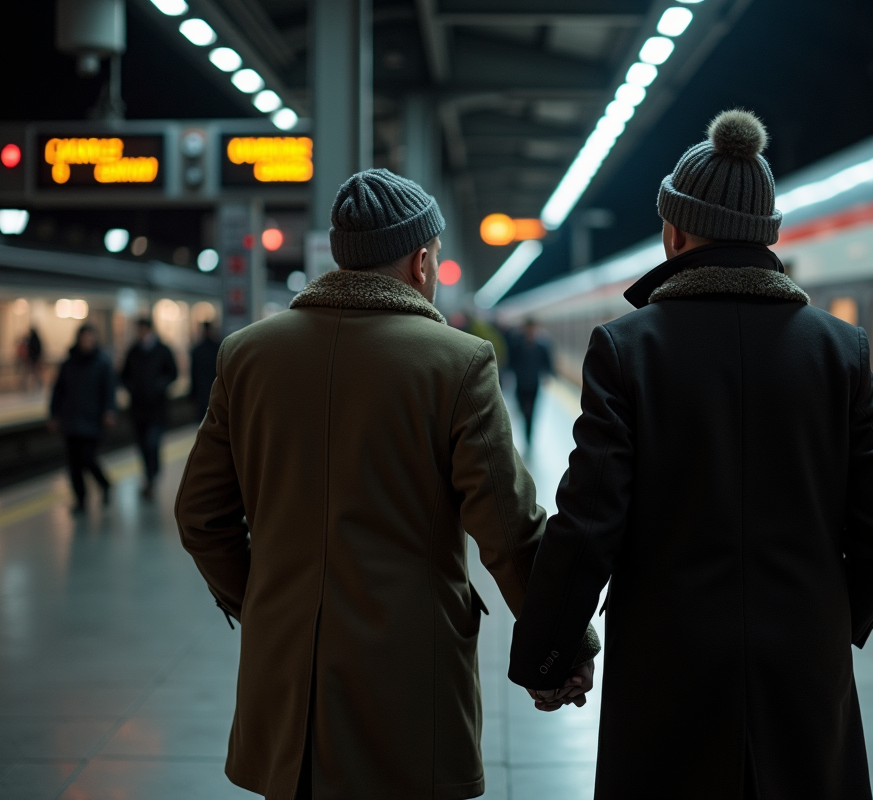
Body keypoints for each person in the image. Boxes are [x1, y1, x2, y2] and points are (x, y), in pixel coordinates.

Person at [508, 110, 873, 799]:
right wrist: (824, 619)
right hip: (804, 673)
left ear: (675, 232)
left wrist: (549, 657)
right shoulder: (840, 349)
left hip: (668, 671)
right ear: (767, 235)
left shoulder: (626, 348)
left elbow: (589, 523)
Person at [174, 168, 597, 800]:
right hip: (410, 677)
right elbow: (508, 531)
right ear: (421, 260)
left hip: (285, 677)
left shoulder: (247, 354)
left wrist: (266, 602)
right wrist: (560, 643)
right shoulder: (456, 361)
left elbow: (200, 516)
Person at [49, 324, 116, 513]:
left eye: (90, 338)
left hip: (92, 420)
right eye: (84, 338)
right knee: (74, 464)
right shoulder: (69, 363)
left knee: (88, 458)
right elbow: (58, 390)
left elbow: (109, 390)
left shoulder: (102, 363)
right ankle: (80, 499)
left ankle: (104, 483)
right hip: (71, 420)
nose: (87, 342)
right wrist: (54, 414)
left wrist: (109, 411)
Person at [121, 318, 177, 498]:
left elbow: (173, 373)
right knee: (143, 446)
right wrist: (133, 388)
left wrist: (159, 386)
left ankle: (152, 476)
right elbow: (123, 375)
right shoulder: (133, 351)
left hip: (157, 408)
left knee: (152, 443)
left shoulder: (162, 350)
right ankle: (149, 475)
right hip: (138, 409)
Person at [507, 319, 553, 446]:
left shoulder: (541, 347)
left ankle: (529, 435)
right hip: (520, 383)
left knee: (531, 411)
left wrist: (547, 376)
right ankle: (526, 427)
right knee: (522, 408)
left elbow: (547, 363)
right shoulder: (517, 346)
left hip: (534, 383)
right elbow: (511, 362)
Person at [190, 321, 221, 421]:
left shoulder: (197, 350)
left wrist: (193, 393)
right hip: (215, 390)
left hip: (203, 391)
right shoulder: (218, 348)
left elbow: (193, 373)